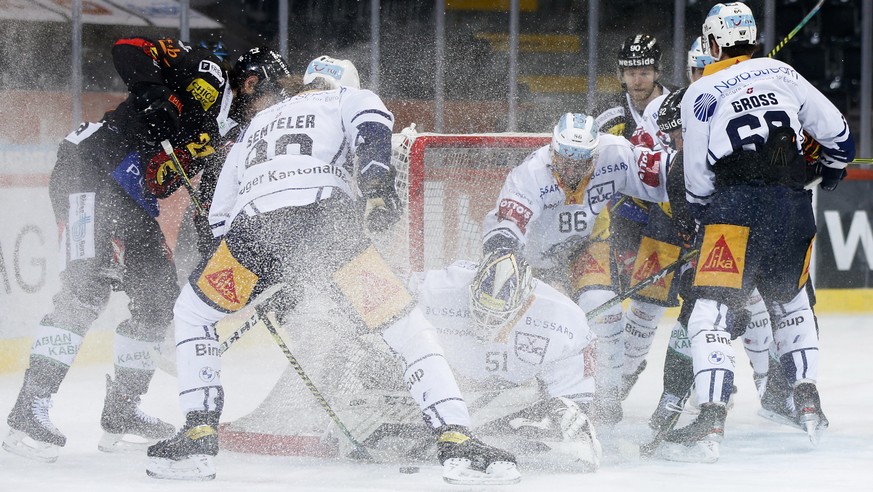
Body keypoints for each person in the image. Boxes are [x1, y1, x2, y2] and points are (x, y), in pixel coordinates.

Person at [145, 56, 519, 485]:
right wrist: (377, 188)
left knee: (195, 312)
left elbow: (220, 214)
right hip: (325, 224)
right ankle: (457, 439)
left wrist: (258, 275)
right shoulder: (348, 97)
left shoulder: (259, 121)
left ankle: (197, 435)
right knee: (403, 324)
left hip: (254, 231)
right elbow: (372, 128)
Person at [3, 38, 228, 462]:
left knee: (159, 299)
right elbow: (128, 45)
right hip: (89, 167)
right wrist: (154, 92)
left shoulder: (224, 134)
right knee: (86, 288)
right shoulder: (202, 66)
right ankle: (27, 412)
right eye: (255, 85)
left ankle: (123, 412)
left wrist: (212, 231)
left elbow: (197, 188)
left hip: (132, 195)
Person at [664, 2, 854, 462]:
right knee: (790, 300)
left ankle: (710, 417)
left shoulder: (701, 91)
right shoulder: (783, 74)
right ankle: (806, 398)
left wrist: (711, 218)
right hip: (792, 207)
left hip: (734, 209)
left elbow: (695, 182)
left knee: (711, 311)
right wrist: (829, 169)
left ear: (711, 43)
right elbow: (840, 136)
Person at [482, 112, 671, 425]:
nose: (570, 169)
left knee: (603, 311)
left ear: (594, 157)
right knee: (552, 325)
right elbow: (506, 228)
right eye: (564, 159)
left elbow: (669, 174)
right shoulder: (529, 174)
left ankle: (608, 395)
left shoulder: (615, 153)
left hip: (583, 247)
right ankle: (553, 392)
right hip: (534, 262)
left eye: (580, 162)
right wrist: (504, 260)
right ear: (552, 151)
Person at [409, 251, 601, 471]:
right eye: (482, 310)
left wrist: (567, 414)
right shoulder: (436, 289)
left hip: (514, 397)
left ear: (525, 302)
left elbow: (577, 403)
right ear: (472, 288)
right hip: (452, 385)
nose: (487, 322)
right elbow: (393, 299)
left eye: (497, 315)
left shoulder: (565, 318)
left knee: (569, 420)